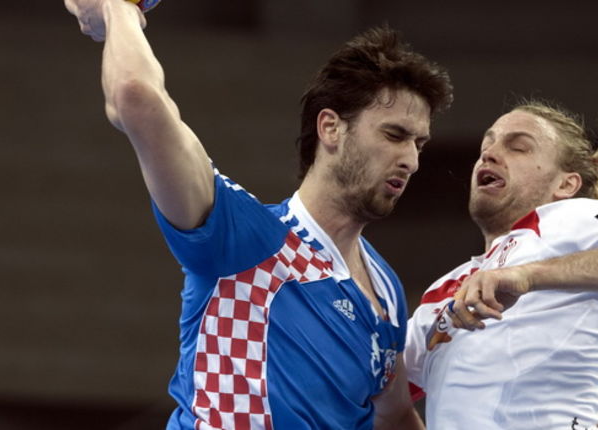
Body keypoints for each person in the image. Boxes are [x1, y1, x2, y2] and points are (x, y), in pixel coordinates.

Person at [64, 0, 453, 428]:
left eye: (419, 145)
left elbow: (395, 414)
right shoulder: (247, 238)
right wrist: (119, 10)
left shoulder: (386, 290)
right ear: (330, 128)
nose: (411, 161)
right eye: (394, 135)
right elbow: (136, 98)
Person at [404, 100, 598, 429]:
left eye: (518, 147)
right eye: (487, 144)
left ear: (565, 185)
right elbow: (382, 402)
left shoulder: (568, 218)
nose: (490, 154)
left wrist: (526, 276)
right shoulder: (439, 294)